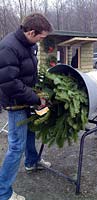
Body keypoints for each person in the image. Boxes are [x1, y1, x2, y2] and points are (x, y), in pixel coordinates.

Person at [0, 13, 53, 200]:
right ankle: (3, 193)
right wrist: (36, 98)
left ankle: (31, 162)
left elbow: (27, 72)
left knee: (31, 131)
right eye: (41, 36)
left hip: (27, 99)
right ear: (31, 32)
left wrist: (36, 93)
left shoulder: (28, 45)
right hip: (16, 103)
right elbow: (9, 82)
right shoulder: (9, 47)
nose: (42, 40)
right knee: (16, 146)